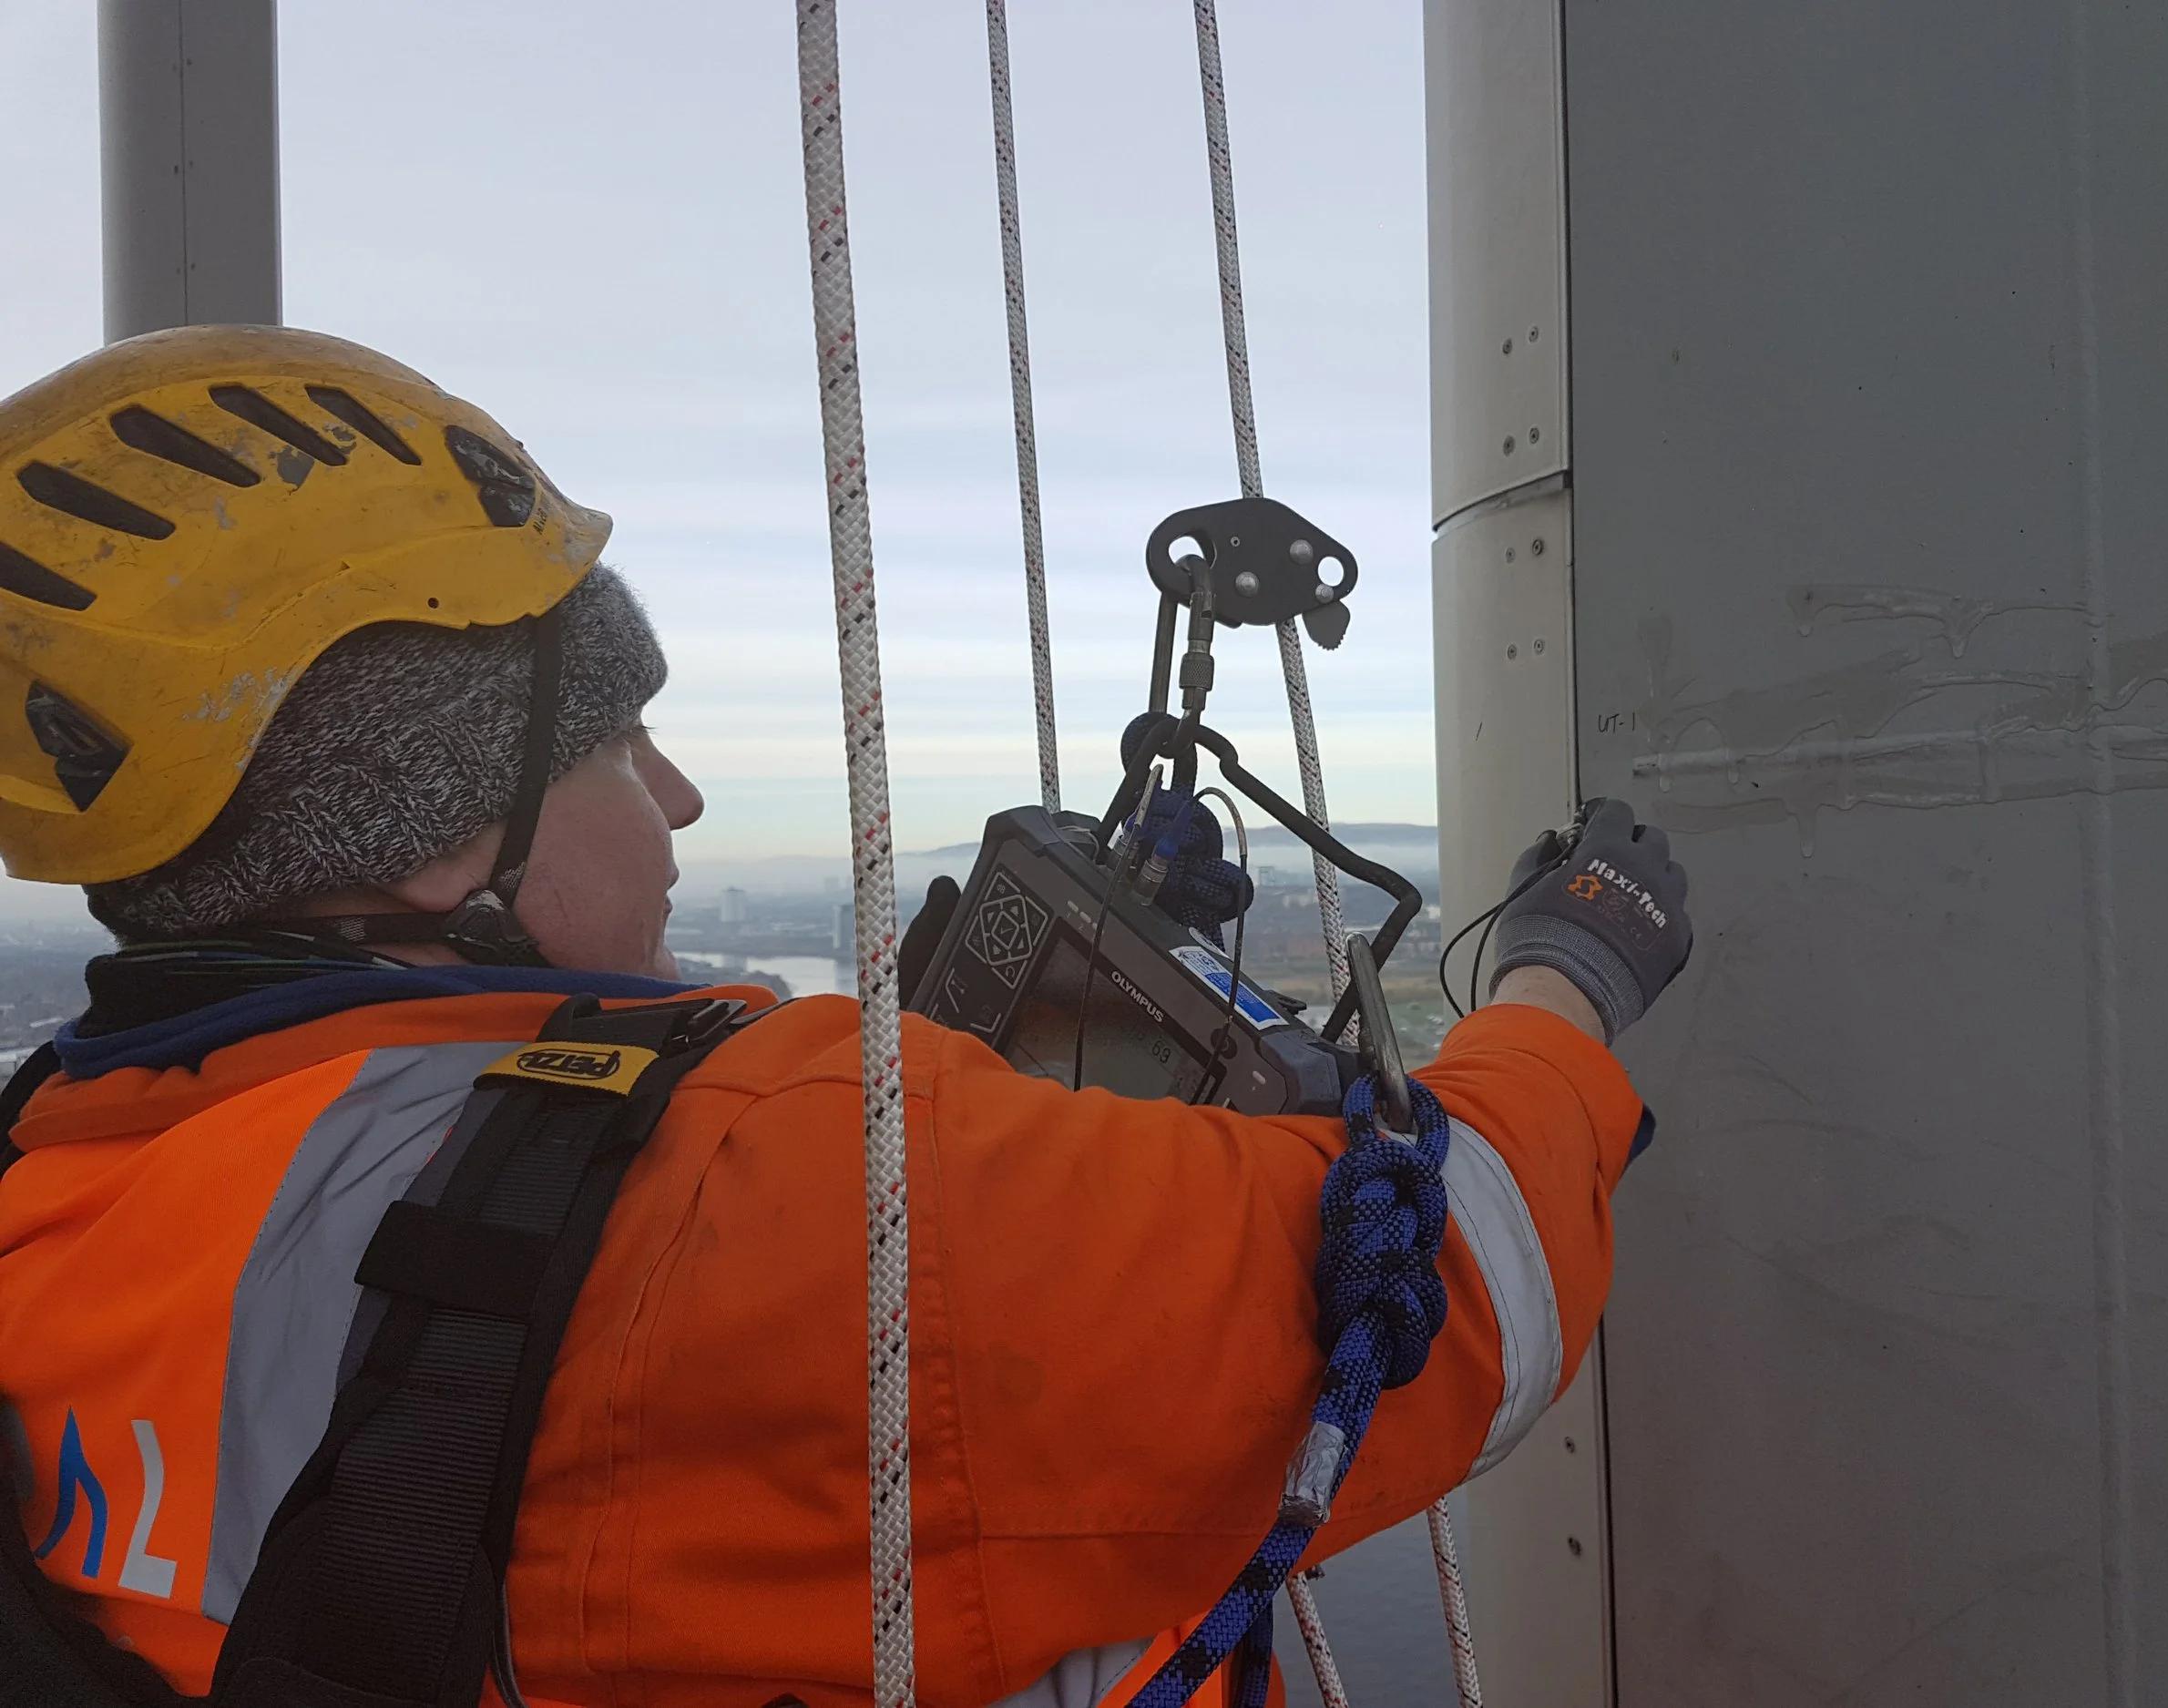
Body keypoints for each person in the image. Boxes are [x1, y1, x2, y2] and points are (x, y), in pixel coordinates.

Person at [0, 327, 1692, 1708]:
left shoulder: (58, 1174)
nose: (674, 795)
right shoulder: (779, 1195)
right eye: (607, 741)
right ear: (437, 838)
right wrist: (1569, 975)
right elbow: (1455, 1282)